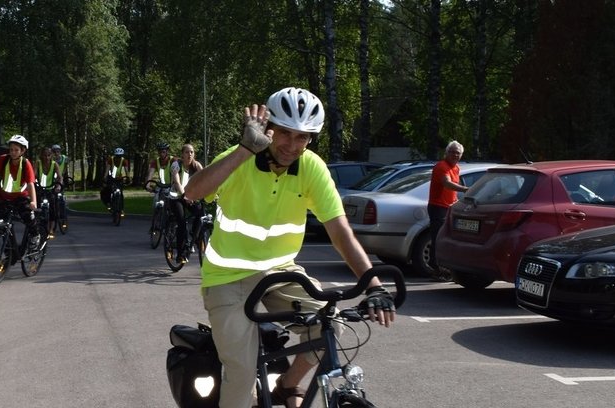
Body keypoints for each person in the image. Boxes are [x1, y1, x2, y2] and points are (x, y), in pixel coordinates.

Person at [183, 87, 397, 408]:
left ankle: (287, 385)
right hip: (227, 277)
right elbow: (193, 192)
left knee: (328, 327)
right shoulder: (237, 158)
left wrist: (374, 285)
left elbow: (340, 233)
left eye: (303, 137)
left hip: (281, 273)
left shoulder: (311, 168)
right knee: (241, 374)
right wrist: (244, 149)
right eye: (285, 133)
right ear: (268, 128)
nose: (292, 146)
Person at [0, 135, 40, 248]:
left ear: (23, 151)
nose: (13, 152)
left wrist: (33, 201)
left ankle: (35, 235)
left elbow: (31, 184)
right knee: (4, 224)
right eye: (11, 149)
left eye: (16, 150)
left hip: (21, 197)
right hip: (4, 197)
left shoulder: (26, 163)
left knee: (27, 216)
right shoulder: (3, 159)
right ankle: (10, 249)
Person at [427, 140, 468, 278]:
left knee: (445, 238)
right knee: (438, 237)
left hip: (448, 207)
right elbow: (447, 183)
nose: (455, 155)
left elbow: (452, 190)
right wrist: (466, 189)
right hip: (438, 207)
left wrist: (457, 201)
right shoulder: (441, 166)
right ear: (447, 153)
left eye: (458, 153)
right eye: (452, 152)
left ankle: (443, 267)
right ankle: (435, 268)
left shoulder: (456, 168)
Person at [168, 143, 205, 264]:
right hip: (176, 198)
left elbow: (206, 178)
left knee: (201, 213)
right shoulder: (176, 165)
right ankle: (181, 254)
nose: (189, 154)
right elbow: (177, 182)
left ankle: (195, 236)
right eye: (187, 152)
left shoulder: (196, 165)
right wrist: (185, 195)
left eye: (192, 152)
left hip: (190, 197)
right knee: (182, 221)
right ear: (182, 155)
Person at [35, 146, 63, 238]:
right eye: (44, 155)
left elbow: (60, 177)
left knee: (52, 209)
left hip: (51, 188)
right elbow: (33, 175)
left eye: (48, 155)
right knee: (37, 208)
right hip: (40, 188)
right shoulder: (38, 163)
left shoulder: (54, 164)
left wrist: (58, 185)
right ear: (41, 156)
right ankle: (38, 227)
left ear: (51, 156)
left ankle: (51, 229)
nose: (46, 157)